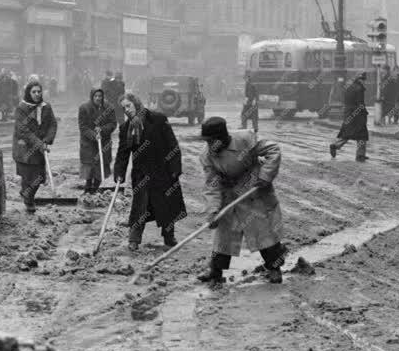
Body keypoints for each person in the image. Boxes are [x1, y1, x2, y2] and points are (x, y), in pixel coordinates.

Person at [199, 117, 285, 286]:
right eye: (206, 141)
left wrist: (265, 175)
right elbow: (212, 184)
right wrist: (213, 210)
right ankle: (215, 271)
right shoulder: (207, 155)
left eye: (212, 141)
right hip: (229, 193)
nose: (209, 145)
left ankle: (274, 268)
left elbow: (273, 150)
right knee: (224, 234)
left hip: (253, 189)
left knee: (263, 232)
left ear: (222, 138)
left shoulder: (245, 139)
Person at [113, 92, 186, 250]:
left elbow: (172, 144)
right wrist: (119, 172)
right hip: (141, 172)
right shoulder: (126, 128)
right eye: (123, 108)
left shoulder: (158, 119)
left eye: (128, 106)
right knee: (140, 205)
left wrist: (175, 168)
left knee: (165, 205)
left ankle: (169, 237)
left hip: (162, 170)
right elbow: (122, 153)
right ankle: (134, 239)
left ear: (136, 103)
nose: (126, 110)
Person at [12, 77, 57, 214]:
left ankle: (27, 194)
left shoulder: (46, 107)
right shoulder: (21, 108)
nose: (37, 94)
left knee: (39, 178)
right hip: (24, 149)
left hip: (39, 149)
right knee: (27, 177)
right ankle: (29, 200)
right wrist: (38, 143)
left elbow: (52, 125)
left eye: (39, 91)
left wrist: (47, 140)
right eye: (34, 92)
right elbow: (23, 130)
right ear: (28, 93)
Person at [78, 87, 117, 194]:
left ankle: (94, 190)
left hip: (104, 143)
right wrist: (93, 135)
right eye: (95, 96)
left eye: (100, 96)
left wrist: (103, 129)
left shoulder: (109, 108)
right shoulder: (84, 108)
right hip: (88, 144)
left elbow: (113, 124)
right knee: (89, 169)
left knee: (101, 169)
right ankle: (87, 191)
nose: (98, 98)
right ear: (92, 97)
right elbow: (83, 127)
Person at [329, 72, 369, 162]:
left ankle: (335, 145)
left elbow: (345, 101)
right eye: (363, 80)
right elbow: (360, 104)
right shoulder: (360, 89)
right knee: (362, 135)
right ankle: (360, 155)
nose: (364, 82)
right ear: (360, 80)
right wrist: (365, 113)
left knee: (347, 134)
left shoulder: (349, 87)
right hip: (358, 115)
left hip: (348, 114)